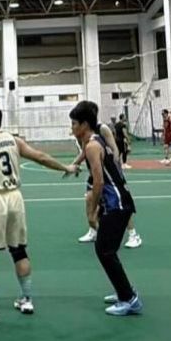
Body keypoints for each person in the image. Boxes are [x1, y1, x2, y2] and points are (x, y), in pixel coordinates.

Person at [0, 106, 73, 322]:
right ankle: (26, 298)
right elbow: (40, 157)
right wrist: (65, 167)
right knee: (19, 250)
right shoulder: (14, 140)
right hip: (15, 197)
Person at [69, 102, 142, 316]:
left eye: (74, 123)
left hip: (116, 204)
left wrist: (92, 212)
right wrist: (74, 164)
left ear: (84, 124)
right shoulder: (93, 141)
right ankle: (124, 291)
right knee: (107, 250)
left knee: (105, 250)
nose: (72, 127)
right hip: (120, 202)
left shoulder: (93, 145)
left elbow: (98, 182)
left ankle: (129, 299)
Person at [74, 104, 141, 248]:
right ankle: (93, 230)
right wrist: (74, 165)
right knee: (89, 198)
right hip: (94, 170)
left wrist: (116, 169)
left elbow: (115, 149)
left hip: (109, 171)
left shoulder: (102, 129)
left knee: (120, 203)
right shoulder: (85, 133)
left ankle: (133, 234)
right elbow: (84, 152)